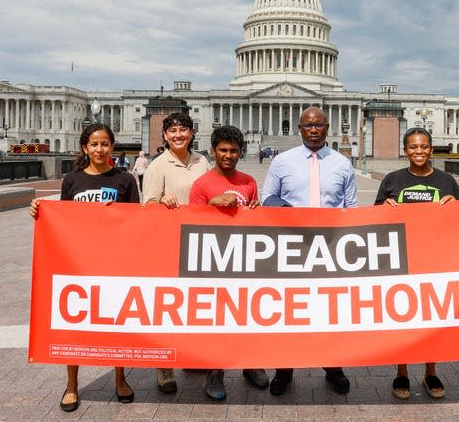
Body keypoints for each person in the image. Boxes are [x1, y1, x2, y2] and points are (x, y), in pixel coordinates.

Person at [29, 123, 139, 412]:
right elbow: (63, 220)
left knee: (117, 325)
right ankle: (72, 384)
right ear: (85, 148)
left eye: (104, 144)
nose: (99, 149)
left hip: (115, 262)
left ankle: (120, 378)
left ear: (112, 147)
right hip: (79, 263)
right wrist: (41, 213)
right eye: (94, 144)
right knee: (73, 324)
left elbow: (138, 223)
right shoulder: (72, 180)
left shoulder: (125, 180)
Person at [260, 106, 358, 396]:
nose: (313, 130)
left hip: (331, 247)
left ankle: (333, 367)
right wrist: (292, 216)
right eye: (307, 126)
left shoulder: (342, 163)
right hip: (292, 246)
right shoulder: (282, 162)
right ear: (299, 129)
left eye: (318, 125)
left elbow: (351, 208)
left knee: (331, 311)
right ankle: (284, 370)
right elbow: (268, 198)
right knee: (289, 310)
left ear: (327, 127)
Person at [374, 126, 459, 400]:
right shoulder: (392, 179)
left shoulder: (446, 181)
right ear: (405, 151)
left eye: (423, 146)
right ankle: (401, 371)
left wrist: (454, 206)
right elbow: (376, 216)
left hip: (435, 258)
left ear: (431, 149)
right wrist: (385, 207)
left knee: (432, 319)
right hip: (401, 258)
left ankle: (430, 371)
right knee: (402, 318)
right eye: (413, 147)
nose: (419, 151)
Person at [189, 125, 269, 400]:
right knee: (216, 321)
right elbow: (192, 226)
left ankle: (251, 364)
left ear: (240, 152)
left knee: (248, 316)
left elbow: (254, 218)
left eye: (234, 150)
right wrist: (210, 204)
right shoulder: (201, 185)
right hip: (213, 261)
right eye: (223, 150)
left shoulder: (248, 182)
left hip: (244, 259)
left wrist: (257, 211)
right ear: (213, 152)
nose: (228, 155)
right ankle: (215, 371)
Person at [141, 112, 210, 394]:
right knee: (168, 305)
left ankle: (190, 355)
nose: (178, 134)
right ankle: (163, 365)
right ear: (165, 135)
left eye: (183, 130)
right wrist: (162, 202)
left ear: (192, 133)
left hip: (200, 243)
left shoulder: (202, 161)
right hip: (170, 243)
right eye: (173, 131)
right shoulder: (158, 165)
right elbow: (149, 206)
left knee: (193, 305)